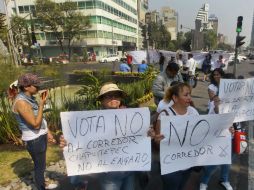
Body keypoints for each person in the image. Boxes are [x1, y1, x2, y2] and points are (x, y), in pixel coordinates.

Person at [60, 83, 135, 190]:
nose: (113, 98)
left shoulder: (133, 116)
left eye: (116, 95)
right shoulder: (91, 120)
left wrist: (148, 134)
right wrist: (67, 142)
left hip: (130, 170)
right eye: (109, 96)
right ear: (102, 100)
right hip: (109, 175)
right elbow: (78, 139)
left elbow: (139, 138)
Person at [149, 83, 199, 190]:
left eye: (189, 94)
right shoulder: (165, 115)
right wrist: (157, 140)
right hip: (171, 167)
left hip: (188, 163)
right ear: (175, 98)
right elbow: (159, 144)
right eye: (185, 95)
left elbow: (201, 134)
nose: (189, 98)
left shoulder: (193, 112)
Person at [12, 73, 57, 190]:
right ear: (26, 87)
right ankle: (41, 187)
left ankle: (43, 184)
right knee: (39, 166)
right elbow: (35, 125)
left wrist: (48, 132)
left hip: (39, 137)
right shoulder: (22, 102)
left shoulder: (29, 99)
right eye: (36, 86)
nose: (39, 88)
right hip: (34, 139)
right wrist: (42, 105)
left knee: (40, 164)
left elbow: (40, 120)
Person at [199, 68, 234, 190]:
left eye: (218, 75)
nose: (216, 77)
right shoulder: (214, 92)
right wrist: (218, 101)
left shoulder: (235, 97)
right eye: (215, 75)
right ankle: (204, 182)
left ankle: (224, 180)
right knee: (214, 159)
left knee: (227, 159)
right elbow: (217, 109)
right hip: (216, 128)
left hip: (230, 130)